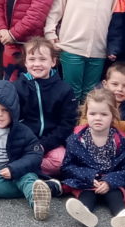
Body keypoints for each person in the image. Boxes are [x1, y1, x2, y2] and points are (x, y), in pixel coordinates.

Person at [59, 87, 125, 227]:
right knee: (87, 193)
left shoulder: (120, 141)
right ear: (86, 114)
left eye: (103, 114)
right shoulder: (76, 140)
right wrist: (90, 177)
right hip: (88, 181)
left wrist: (109, 181)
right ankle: (84, 211)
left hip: (113, 180)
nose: (97, 118)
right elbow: (68, 167)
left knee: (115, 195)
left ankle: (123, 215)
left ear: (113, 116)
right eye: (93, 113)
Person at [0, 79, 50, 219]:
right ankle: (48, 188)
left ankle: (37, 201)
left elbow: (35, 153)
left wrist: (14, 169)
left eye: (5, 110)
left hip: (18, 169)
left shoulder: (22, 131)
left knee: (26, 178)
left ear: (13, 112)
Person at [13, 37, 77, 184]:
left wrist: (44, 145)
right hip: (25, 142)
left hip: (51, 143)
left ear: (53, 62)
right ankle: (37, 177)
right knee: (10, 157)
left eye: (42, 59)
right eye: (32, 59)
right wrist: (29, 145)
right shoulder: (16, 87)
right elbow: (14, 120)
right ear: (25, 62)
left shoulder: (64, 90)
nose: (37, 64)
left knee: (60, 161)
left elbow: (66, 125)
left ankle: (27, 173)